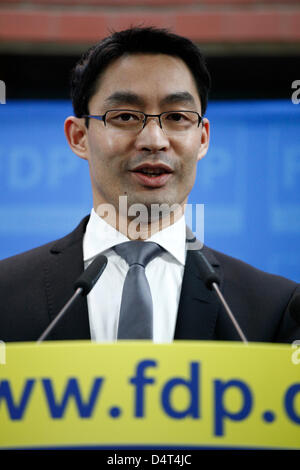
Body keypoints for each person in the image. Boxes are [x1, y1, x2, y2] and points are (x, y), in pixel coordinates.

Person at [0, 27, 299, 343]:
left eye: (177, 117)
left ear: (202, 138)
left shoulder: (275, 309)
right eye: (126, 116)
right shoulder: (6, 293)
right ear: (79, 137)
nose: (154, 141)